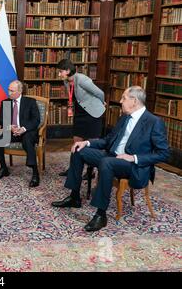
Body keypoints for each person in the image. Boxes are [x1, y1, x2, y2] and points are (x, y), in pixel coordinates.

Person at [51, 86, 170, 232]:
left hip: (133, 165)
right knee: (78, 150)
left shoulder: (154, 122)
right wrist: (86, 143)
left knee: (106, 162)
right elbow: (108, 141)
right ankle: (74, 197)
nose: (120, 101)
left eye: (124, 98)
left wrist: (133, 158)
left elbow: (163, 153)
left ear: (134, 101)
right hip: (112, 156)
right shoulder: (124, 117)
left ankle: (101, 215)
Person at [56, 59, 106, 178]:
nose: (59, 74)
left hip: (93, 113)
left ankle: (91, 171)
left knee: (92, 143)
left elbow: (99, 92)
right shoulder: (66, 81)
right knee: (76, 142)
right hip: (80, 114)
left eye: (60, 71)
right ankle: (73, 168)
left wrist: (102, 102)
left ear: (68, 71)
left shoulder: (82, 79)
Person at [0, 80, 41, 187]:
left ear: (20, 91)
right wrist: (10, 127)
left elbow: (36, 120)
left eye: (12, 91)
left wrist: (23, 129)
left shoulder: (30, 102)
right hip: (12, 132)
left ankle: (35, 173)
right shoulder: (5, 102)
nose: (9, 93)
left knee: (28, 139)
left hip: (26, 132)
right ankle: (4, 168)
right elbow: (1, 120)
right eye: (8, 90)